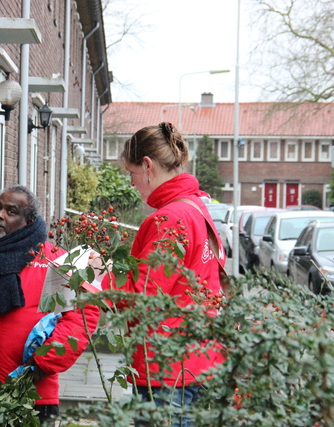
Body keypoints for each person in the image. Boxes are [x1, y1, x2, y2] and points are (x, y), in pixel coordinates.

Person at [0, 185, 100, 426]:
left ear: (28, 221)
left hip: (34, 396)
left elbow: (81, 316)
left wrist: (44, 363)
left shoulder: (55, 261)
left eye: (11, 211)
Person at [110, 122, 225, 425]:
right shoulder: (195, 207)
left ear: (147, 166)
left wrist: (97, 278)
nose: (132, 184)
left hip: (167, 367)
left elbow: (144, 298)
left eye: (131, 174)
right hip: (199, 359)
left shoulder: (171, 218)